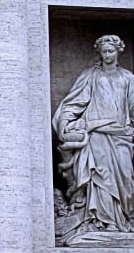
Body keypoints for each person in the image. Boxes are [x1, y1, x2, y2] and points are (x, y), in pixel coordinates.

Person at [53, 35, 134, 236]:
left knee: (125, 176)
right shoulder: (90, 76)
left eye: (111, 51)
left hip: (121, 135)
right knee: (100, 177)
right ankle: (101, 221)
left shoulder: (128, 78)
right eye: (104, 51)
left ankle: (123, 218)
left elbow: (132, 108)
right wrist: (64, 122)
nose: (107, 55)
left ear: (118, 52)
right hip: (96, 134)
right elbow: (74, 102)